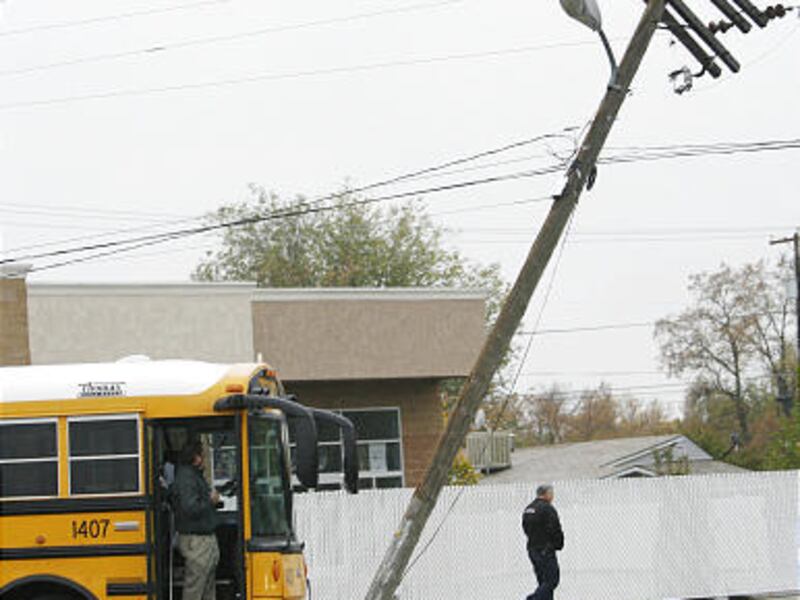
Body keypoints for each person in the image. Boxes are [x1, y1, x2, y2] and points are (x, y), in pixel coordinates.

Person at [174, 441, 221, 600]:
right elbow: (189, 507)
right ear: (196, 457)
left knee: (206, 586)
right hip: (196, 540)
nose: (206, 458)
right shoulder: (186, 478)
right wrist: (210, 500)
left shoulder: (194, 475)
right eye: (204, 454)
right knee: (195, 587)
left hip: (204, 540)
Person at [522, 484, 564, 600]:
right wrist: (558, 544)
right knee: (552, 580)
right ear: (547, 494)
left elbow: (525, 528)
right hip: (545, 549)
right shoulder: (547, 508)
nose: (553, 496)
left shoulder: (528, 509)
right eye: (552, 493)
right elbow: (555, 528)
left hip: (532, 549)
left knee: (543, 582)